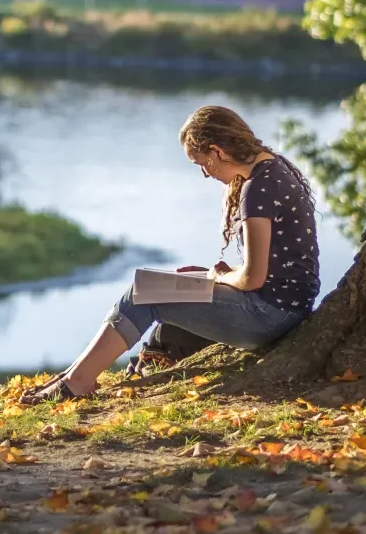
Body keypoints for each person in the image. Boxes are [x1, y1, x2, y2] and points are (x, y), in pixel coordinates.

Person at [20, 105, 320, 404]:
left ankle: (77, 382)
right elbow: (269, 270)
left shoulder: (257, 189)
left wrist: (219, 276)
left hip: (270, 315)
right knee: (167, 282)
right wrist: (206, 277)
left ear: (217, 151)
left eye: (201, 162)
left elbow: (253, 279)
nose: (204, 172)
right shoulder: (274, 169)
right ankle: (72, 376)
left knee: (144, 293)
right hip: (282, 308)